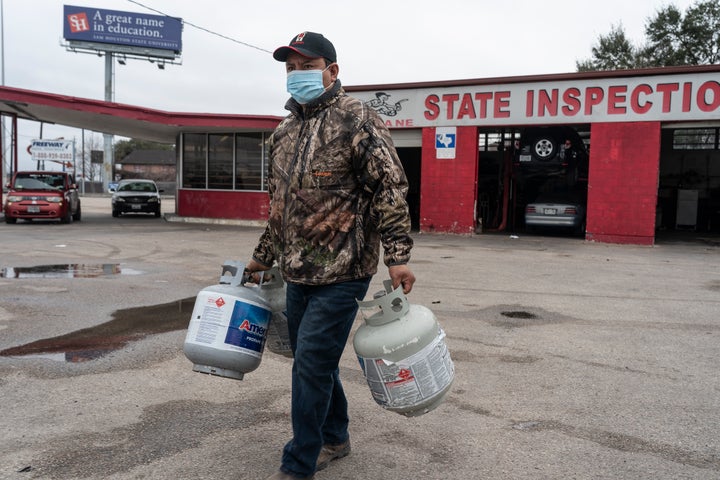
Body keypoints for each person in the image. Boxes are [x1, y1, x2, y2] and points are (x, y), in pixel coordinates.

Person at [244, 31, 416, 480]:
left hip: (345, 269)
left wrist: (397, 254)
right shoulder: (282, 132)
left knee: (310, 365)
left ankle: (299, 461)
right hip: (297, 271)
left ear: (332, 70)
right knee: (312, 362)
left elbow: (388, 188)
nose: (297, 75)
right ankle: (336, 436)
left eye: (307, 65)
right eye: (291, 68)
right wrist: (263, 257)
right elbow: (279, 206)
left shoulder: (358, 120)